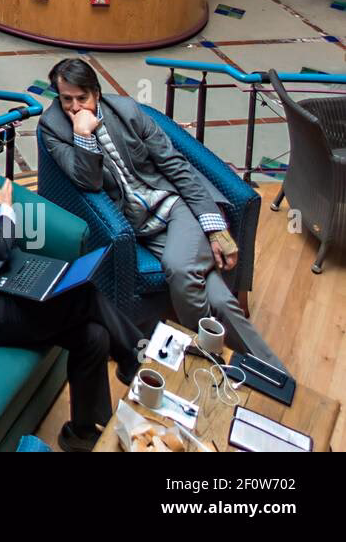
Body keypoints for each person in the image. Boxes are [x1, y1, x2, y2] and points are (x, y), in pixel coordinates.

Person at [38, 57, 286, 370]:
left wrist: (214, 229)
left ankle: (208, 362)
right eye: (66, 99)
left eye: (81, 98)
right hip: (137, 225)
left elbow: (174, 165)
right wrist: (84, 136)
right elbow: (86, 182)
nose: (74, 107)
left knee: (179, 269)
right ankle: (276, 375)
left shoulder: (126, 111)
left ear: (96, 93)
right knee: (221, 301)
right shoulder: (54, 128)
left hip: (173, 209)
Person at [0, 114, 144, 452]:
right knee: (84, 295)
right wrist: (7, 209)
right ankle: (138, 358)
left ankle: (81, 433)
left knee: (93, 335)